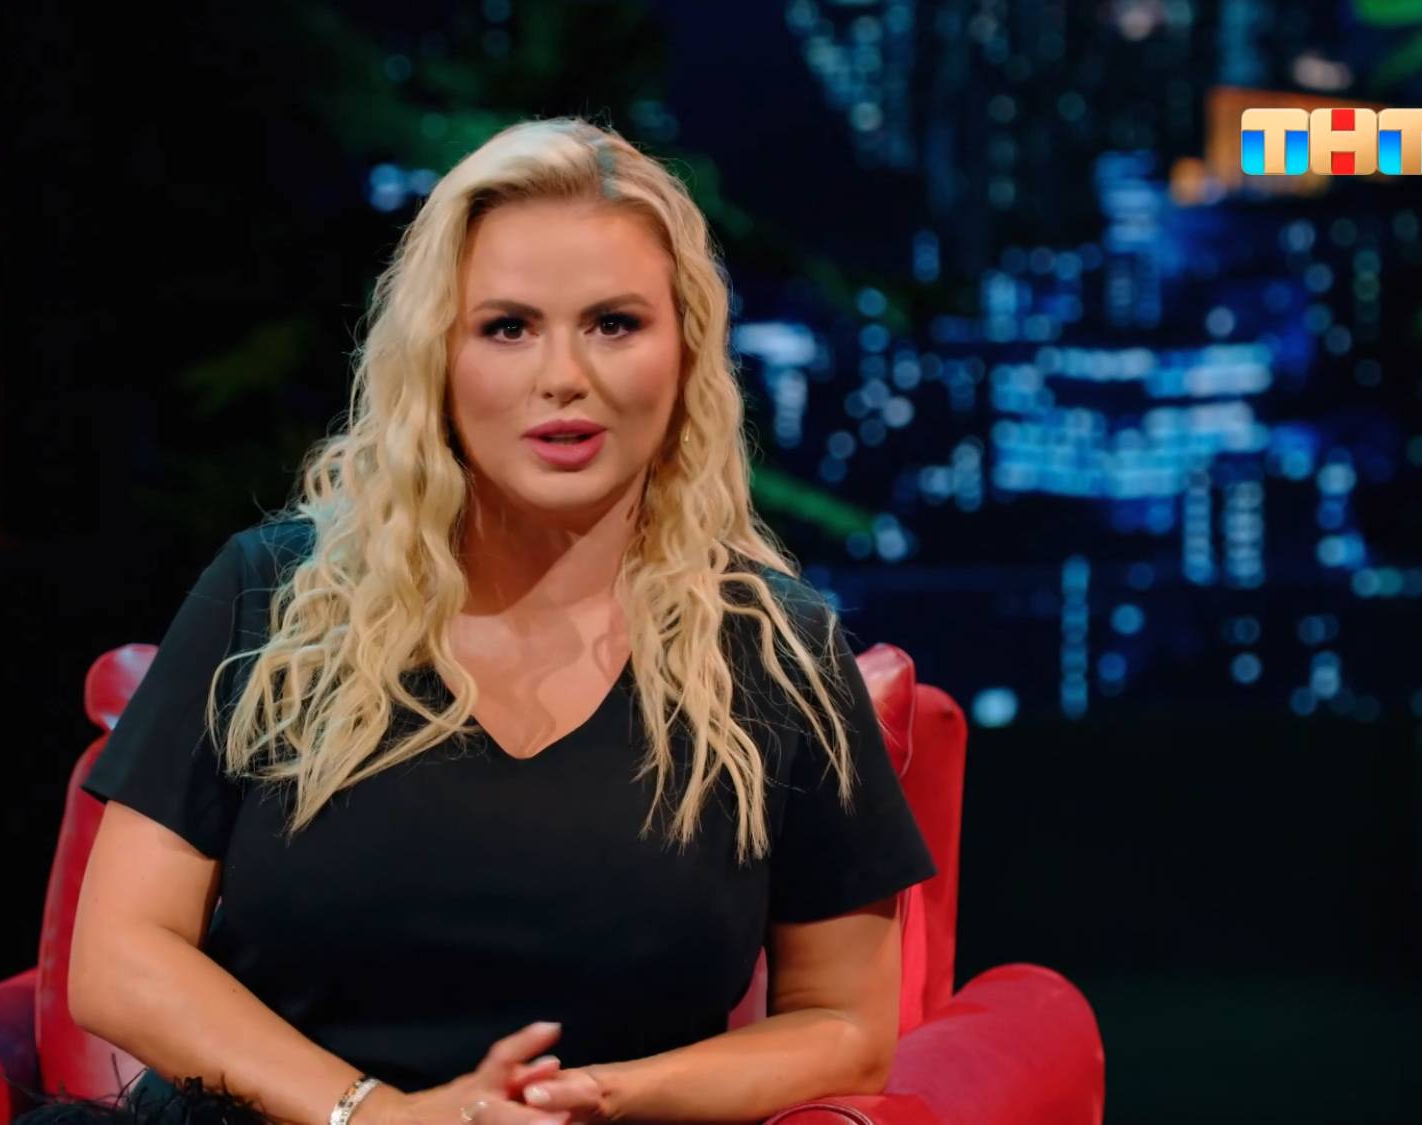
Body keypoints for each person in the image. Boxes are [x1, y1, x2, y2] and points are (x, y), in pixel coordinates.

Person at [59, 116, 937, 1125]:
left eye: (614, 324)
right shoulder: (272, 596)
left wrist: (595, 1098)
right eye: (507, 327)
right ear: (436, 356)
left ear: (687, 352)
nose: (563, 375)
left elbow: (842, 1023)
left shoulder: (775, 656)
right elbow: (120, 958)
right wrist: (380, 1117)